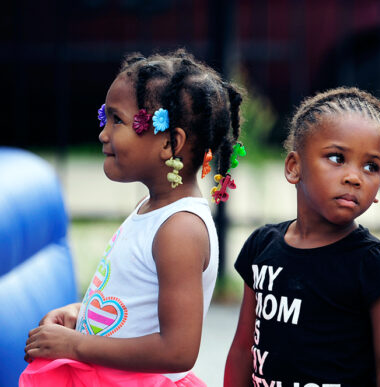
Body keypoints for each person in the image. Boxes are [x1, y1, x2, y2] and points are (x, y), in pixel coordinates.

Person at [21, 49, 244, 386]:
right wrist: (82, 316)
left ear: (170, 143)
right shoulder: (151, 209)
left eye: (117, 120)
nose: (103, 134)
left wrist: (78, 345)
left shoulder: (180, 229)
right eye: (104, 118)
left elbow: (178, 350)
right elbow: (136, 306)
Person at [225, 87, 380, 387]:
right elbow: (242, 351)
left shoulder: (375, 264)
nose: (354, 177)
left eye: (371, 166)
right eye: (337, 157)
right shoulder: (262, 246)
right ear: (294, 166)